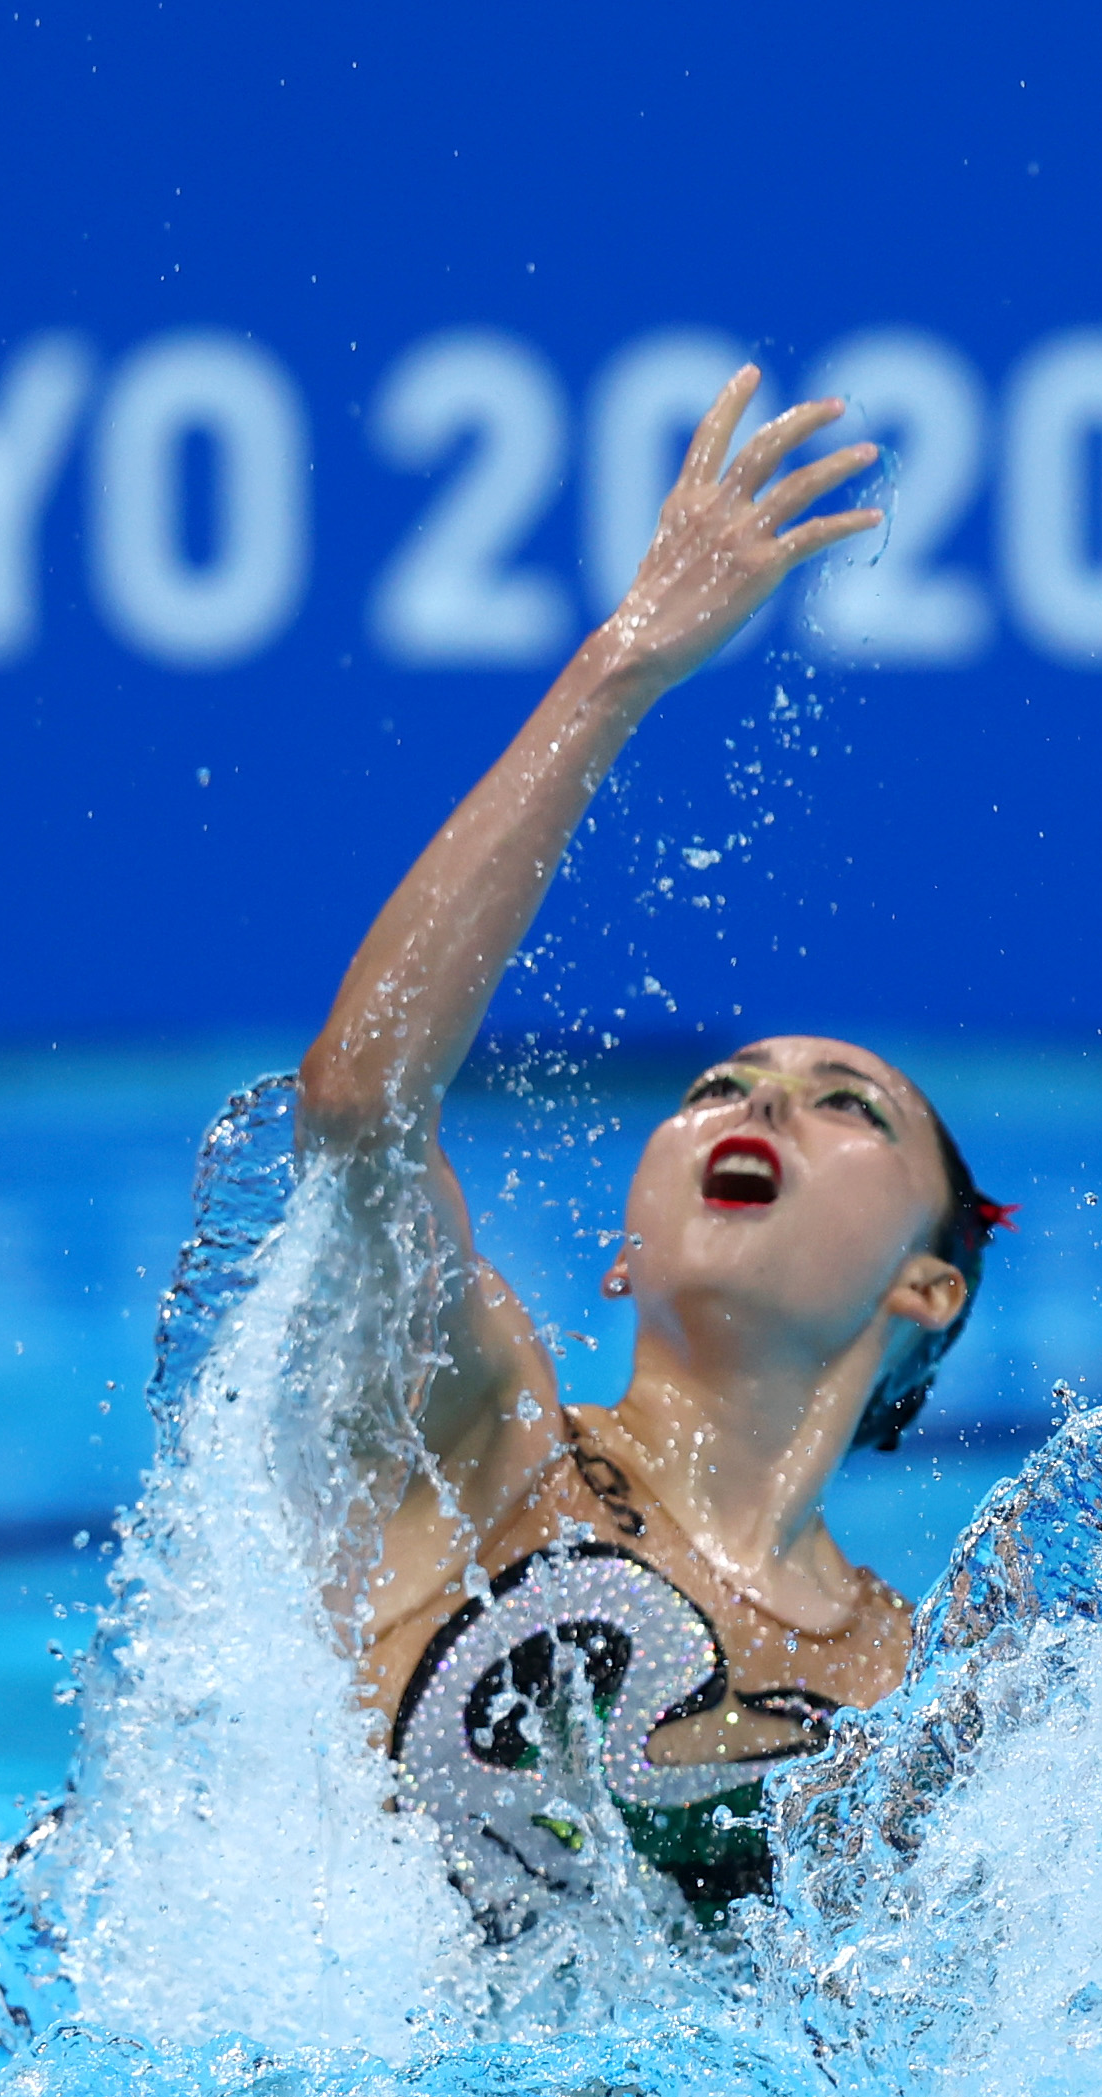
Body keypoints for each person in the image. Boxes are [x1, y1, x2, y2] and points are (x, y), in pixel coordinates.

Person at [294, 367, 1005, 1942]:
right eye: (722, 1083)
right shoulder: (483, 1427)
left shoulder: (920, 1687)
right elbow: (359, 1106)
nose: (758, 1104)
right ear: (622, 1251)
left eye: (848, 1105)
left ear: (926, 1290)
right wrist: (617, 672)